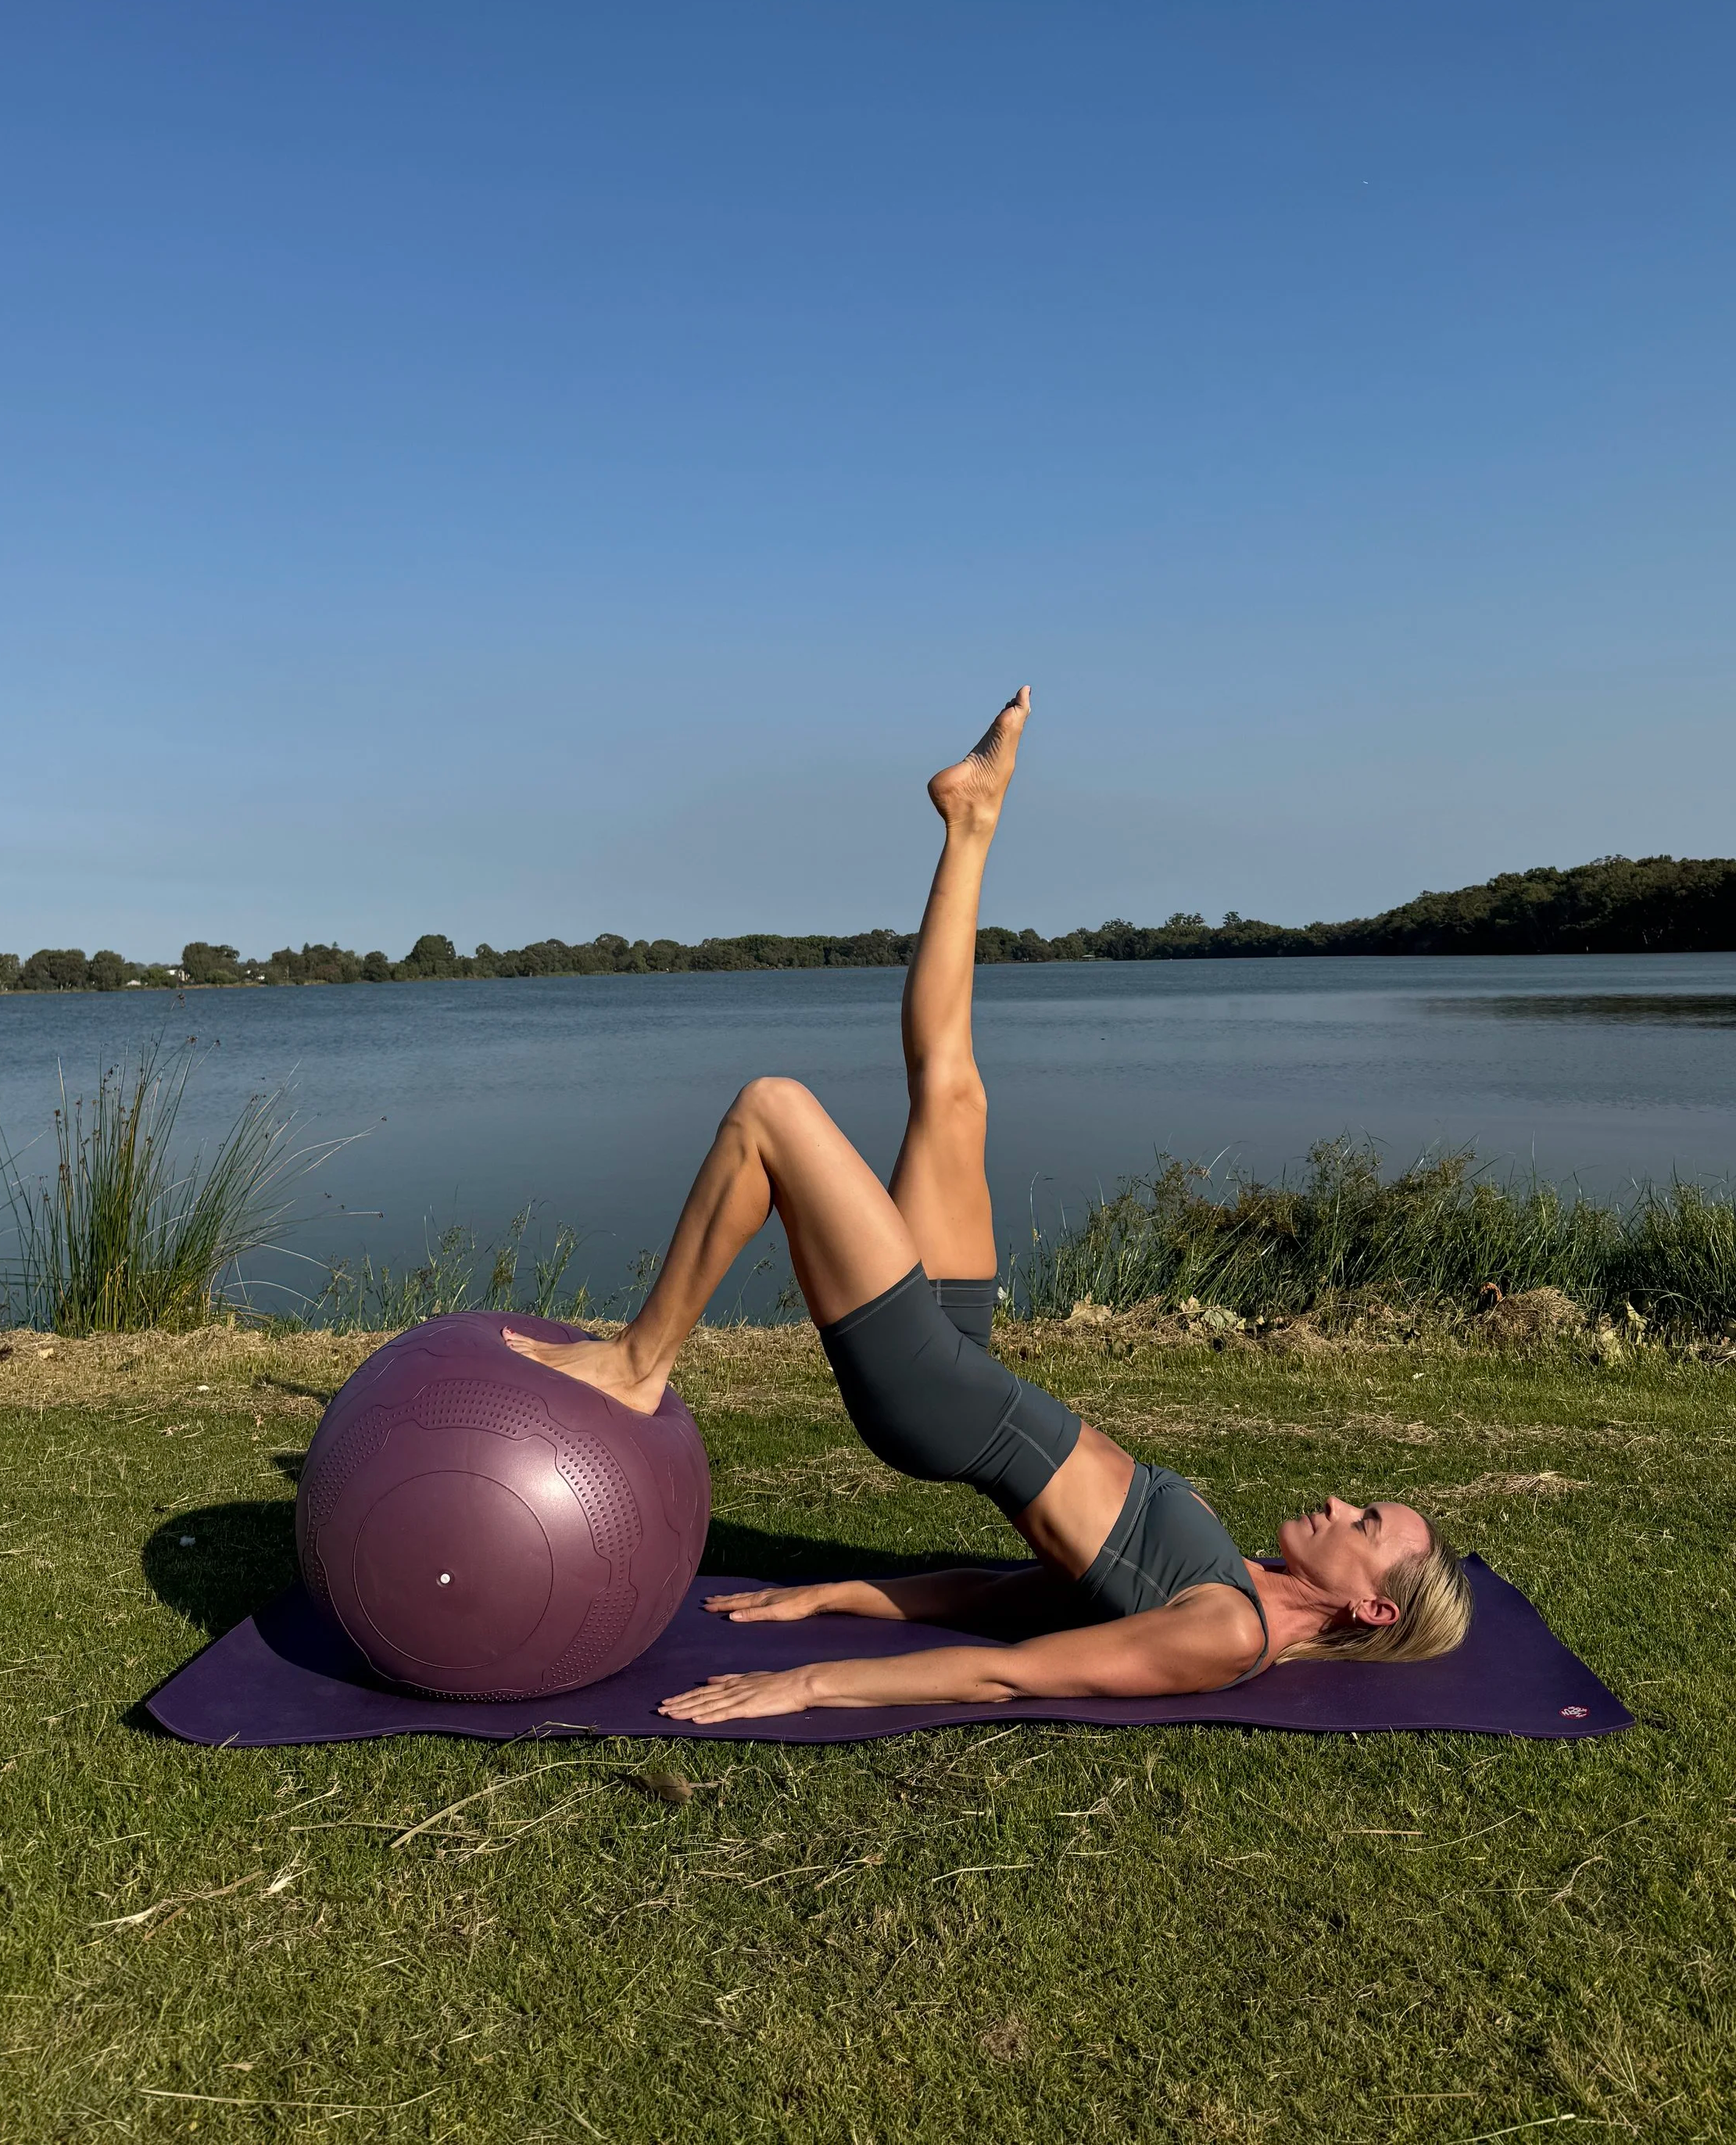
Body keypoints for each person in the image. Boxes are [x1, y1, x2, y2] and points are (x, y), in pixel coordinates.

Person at [506, 689, 1472, 1724]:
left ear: (1370, 1608)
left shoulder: (1228, 1634)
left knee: (772, 1111)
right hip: (972, 1372)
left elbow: (1010, 1671)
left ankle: (640, 1358)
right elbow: (1011, 1598)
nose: (1337, 1503)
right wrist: (839, 1597)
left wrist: (812, 1682)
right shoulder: (1240, 1578)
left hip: (937, 1401)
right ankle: (971, 818)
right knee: (954, 1088)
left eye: (1364, 1520)